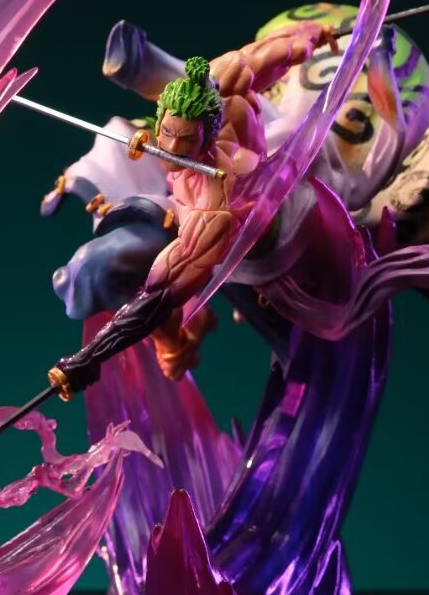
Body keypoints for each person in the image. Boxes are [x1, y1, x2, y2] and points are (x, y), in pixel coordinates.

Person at [47, 22, 339, 399]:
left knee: (161, 271)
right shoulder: (218, 80)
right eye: (166, 132)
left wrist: (89, 358)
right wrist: (315, 34)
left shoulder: (213, 203)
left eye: (184, 141)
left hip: (257, 219)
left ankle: (189, 335)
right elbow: (279, 50)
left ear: (206, 136)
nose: (169, 148)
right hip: (193, 190)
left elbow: (157, 298)